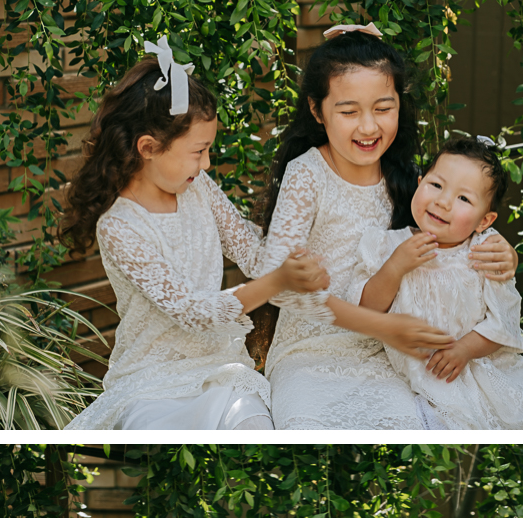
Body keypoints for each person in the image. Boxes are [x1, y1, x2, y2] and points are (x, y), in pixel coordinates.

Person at [255, 25, 520, 429]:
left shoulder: (409, 179)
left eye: (383, 108)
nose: (368, 127)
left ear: (400, 103)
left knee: (404, 429)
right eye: (348, 111)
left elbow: (456, 236)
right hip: (309, 353)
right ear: (316, 110)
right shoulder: (307, 174)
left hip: (389, 359)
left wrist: (504, 252)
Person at [61, 37, 331, 431]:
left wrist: (297, 251)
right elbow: (196, 312)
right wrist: (278, 280)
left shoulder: (198, 186)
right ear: (149, 147)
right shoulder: (119, 227)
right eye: (198, 150)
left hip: (223, 371)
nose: (205, 163)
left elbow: (251, 251)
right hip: (152, 383)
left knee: (257, 429)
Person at [349, 137, 523, 430]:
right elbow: (366, 311)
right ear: (420, 183)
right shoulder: (386, 245)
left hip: (475, 365)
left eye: (464, 199)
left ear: (485, 220)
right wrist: (394, 267)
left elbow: (503, 322)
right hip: (406, 373)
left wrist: (465, 349)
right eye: (436, 185)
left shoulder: (484, 252)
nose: (443, 202)